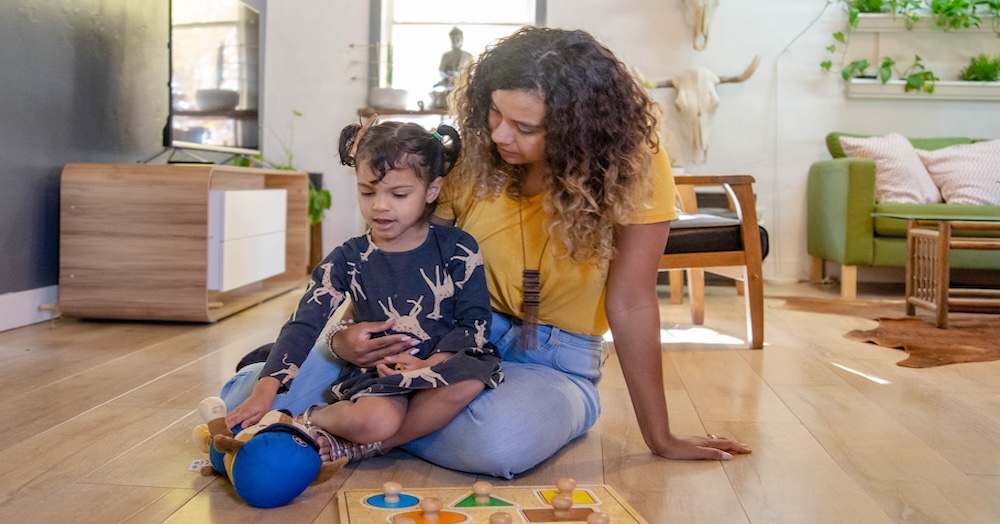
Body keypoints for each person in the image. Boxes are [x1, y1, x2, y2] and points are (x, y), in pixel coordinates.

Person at [222, 26, 750, 478]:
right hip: (440, 332)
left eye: (525, 127)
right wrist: (342, 342)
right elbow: (403, 262)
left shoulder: (634, 160)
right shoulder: (474, 151)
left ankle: (333, 427)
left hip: (553, 361)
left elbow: (633, 302)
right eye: (495, 112)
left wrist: (661, 436)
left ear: (581, 130)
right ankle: (355, 419)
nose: (499, 133)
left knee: (499, 443)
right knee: (243, 397)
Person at [223, 115, 503, 463]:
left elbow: (475, 321)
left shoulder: (459, 247)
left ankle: (360, 447)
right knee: (376, 419)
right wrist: (264, 394)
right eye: (367, 191)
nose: (380, 205)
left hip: (441, 365)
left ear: (432, 190)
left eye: (398, 194)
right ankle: (310, 419)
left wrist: (431, 362)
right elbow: (304, 324)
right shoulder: (348, 258)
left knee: (469, 380)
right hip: (380, 374)